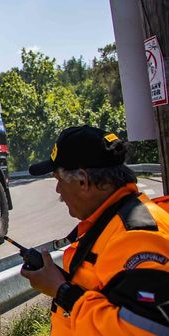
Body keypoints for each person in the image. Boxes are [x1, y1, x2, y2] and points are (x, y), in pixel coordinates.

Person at [21, 125, 169, 335]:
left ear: (83, 180)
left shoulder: (136, 237)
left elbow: (150, 329)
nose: (58, 191)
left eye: (58, 180)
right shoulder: (111, 222)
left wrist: (63, 292)